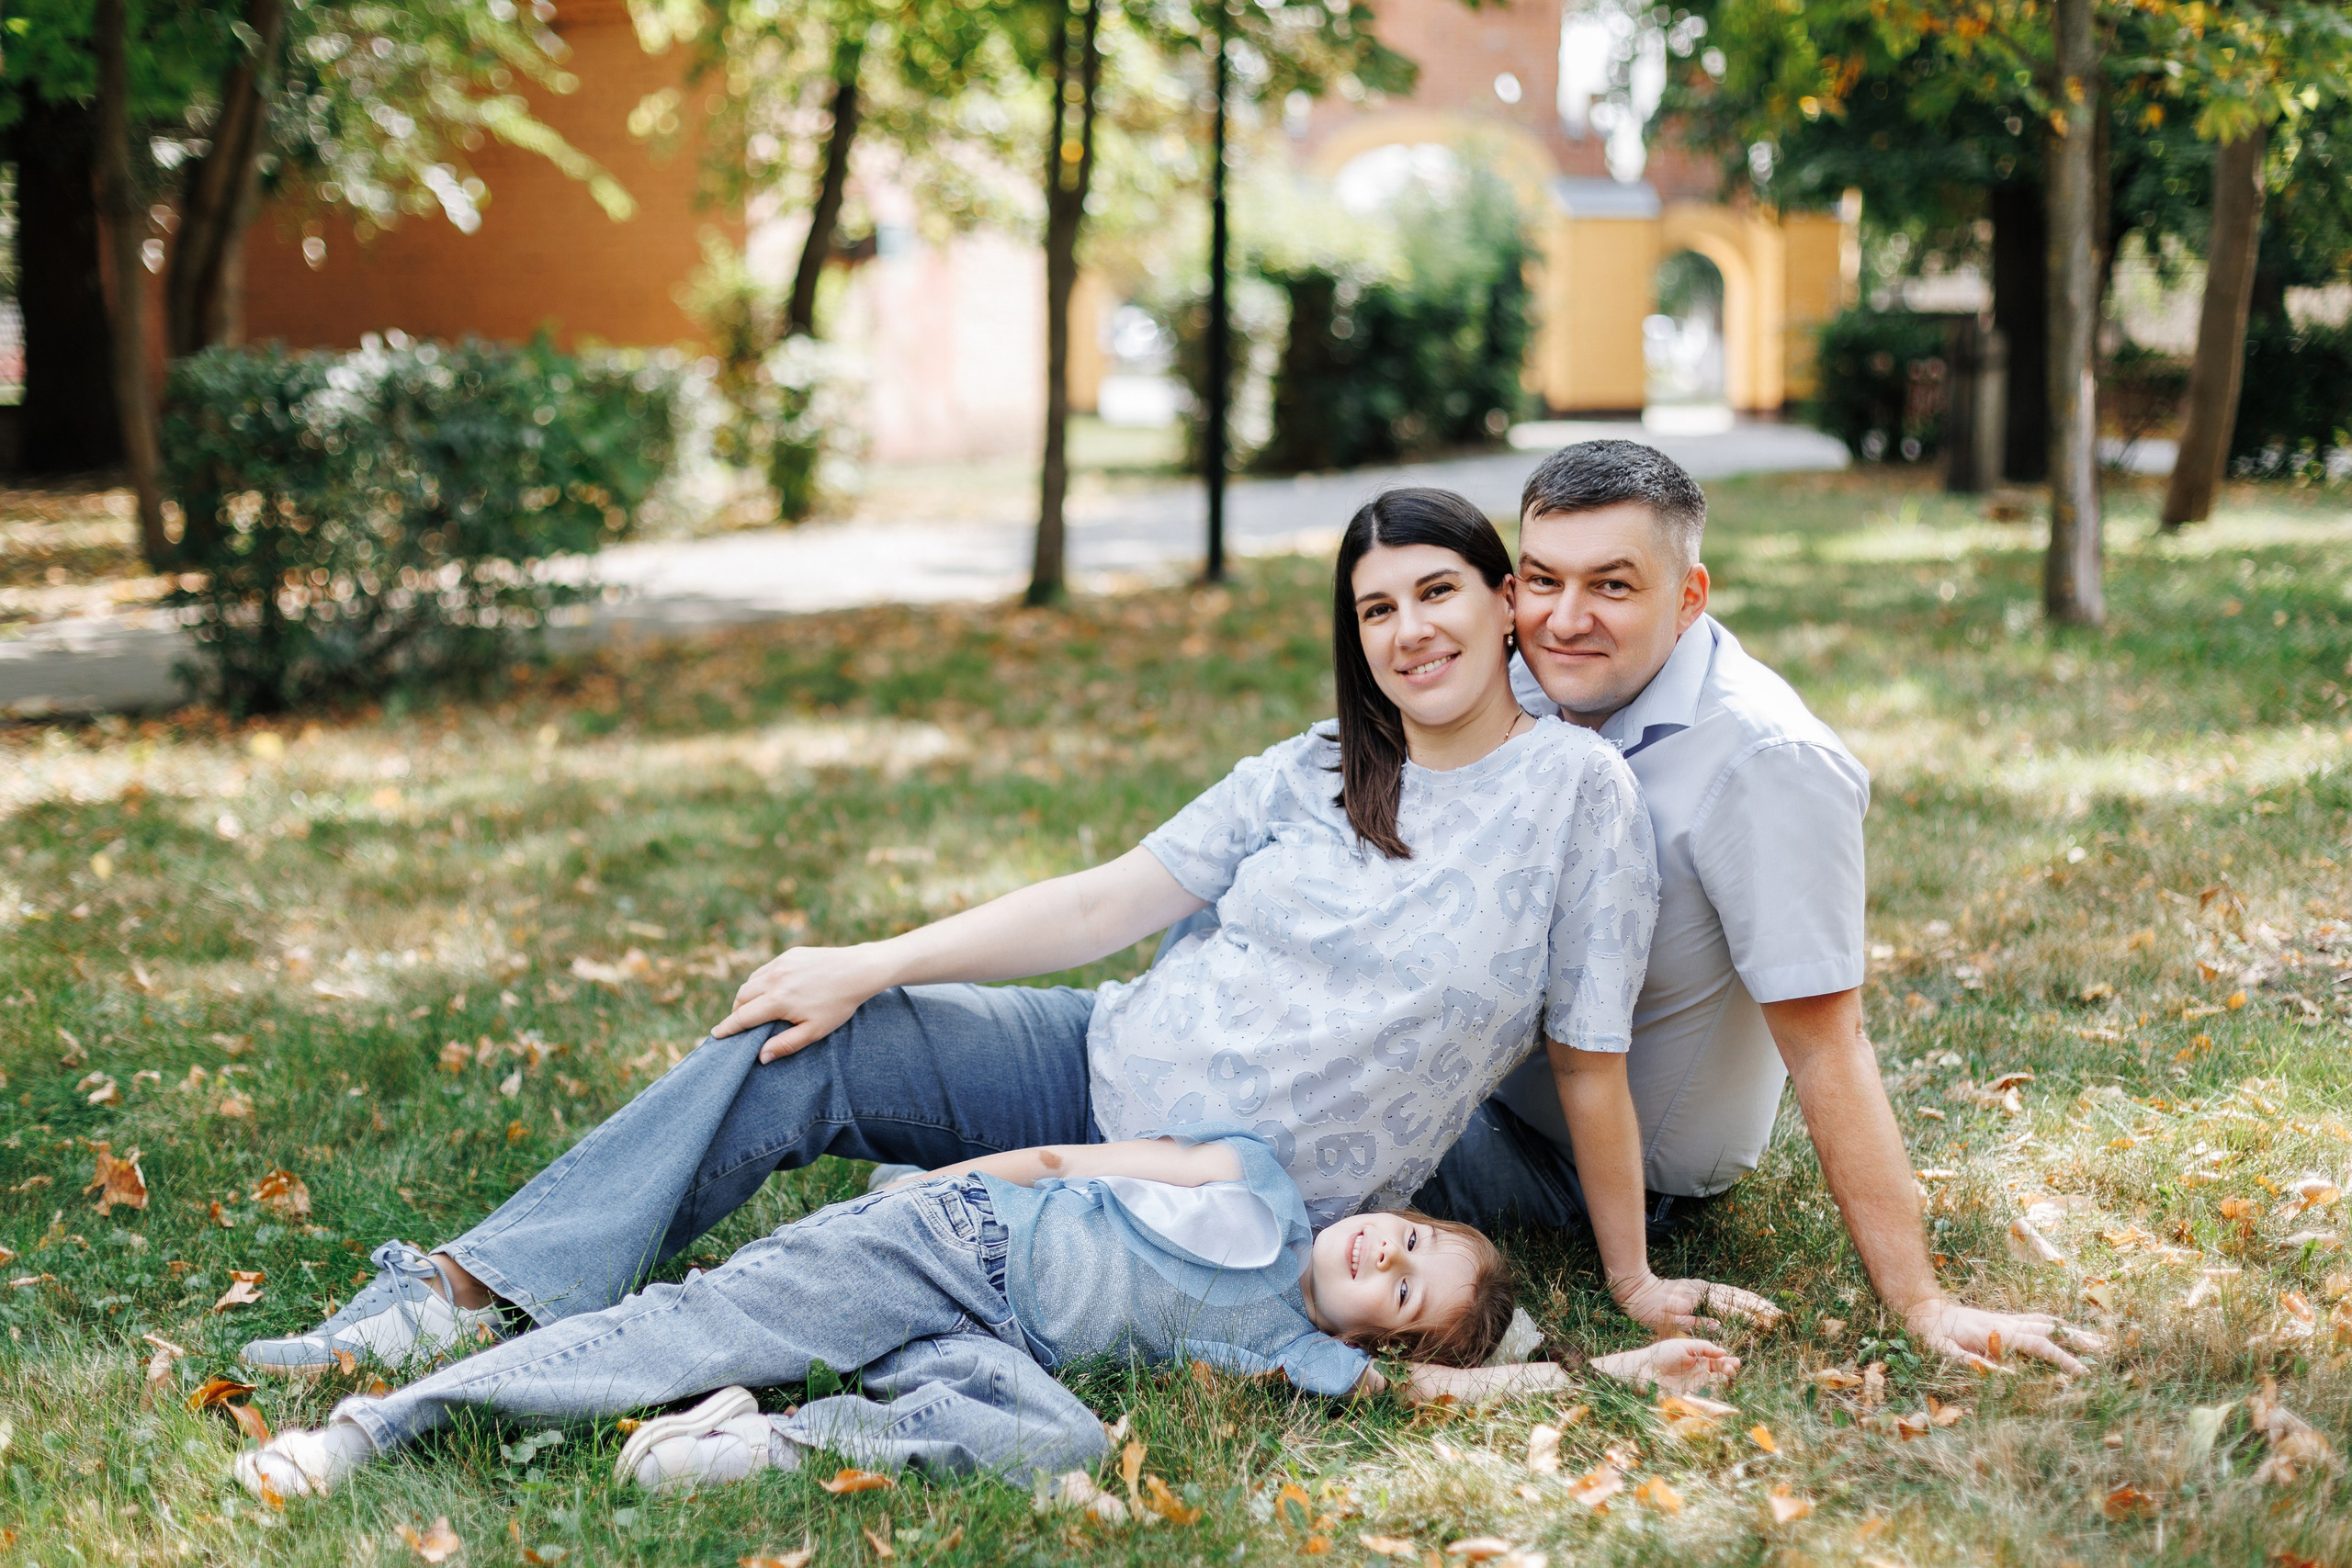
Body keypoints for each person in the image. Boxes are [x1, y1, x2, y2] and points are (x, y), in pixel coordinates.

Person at [243, 486, 1759, 1393]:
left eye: (1438, 592)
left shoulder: (1580, 802)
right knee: (799, 1040)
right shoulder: (1310, 768)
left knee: (924, 1281)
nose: (1410, 631)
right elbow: (1104, 902)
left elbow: (1591, 1058)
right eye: (1375, 609)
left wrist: (1629, 1278)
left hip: (1213, 1198)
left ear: (1504, 603)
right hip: (1092, 1057)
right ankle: (463, 1294)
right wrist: (873, 960)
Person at [1405, 440, 2093, 1371]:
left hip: (1577, 1167)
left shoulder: (1765, 764)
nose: (1564, 619)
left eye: (1612, 586)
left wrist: (1921, 1301)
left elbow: (1827, 1045)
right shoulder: (1530, 675)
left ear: (1688, 597)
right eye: (1541, 580)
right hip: (1468, 1080)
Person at [231, 1126, 1738, 1501]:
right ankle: (377, 1423)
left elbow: (1439, 1395)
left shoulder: (1291, 1347)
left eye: (1401, 1288)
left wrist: (1604, 1367)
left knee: (1060, 1436)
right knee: (676, 1330)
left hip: (989, 1342)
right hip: (932, 1245)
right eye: (1404, 1234)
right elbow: (1074, 1162)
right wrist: (939, 1186)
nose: (1380, 1251)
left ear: (1369, 1337)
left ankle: (762, 1439)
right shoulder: (1261, 1180)